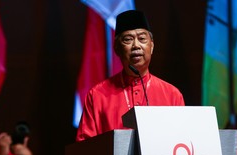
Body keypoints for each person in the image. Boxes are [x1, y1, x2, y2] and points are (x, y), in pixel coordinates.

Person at [76, 10, 185, 141]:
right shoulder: (97, 95)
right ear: (117, 48)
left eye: (142, 39)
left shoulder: (172, 95)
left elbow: (181, 141)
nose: (136, 45)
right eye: (128, 39)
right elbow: (84, 148)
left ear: (151, 46)